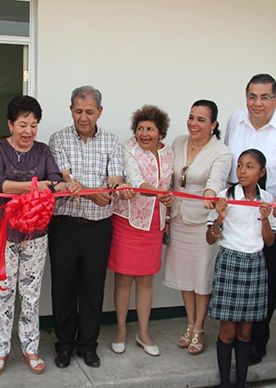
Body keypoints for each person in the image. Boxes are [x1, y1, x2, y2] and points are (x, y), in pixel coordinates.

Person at [0, 95, 79, 375]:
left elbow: (55, 181)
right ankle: (0, 349)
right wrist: (39, 185)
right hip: (3, 231)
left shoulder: (43, 150)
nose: (28, 131)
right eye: (23, 125)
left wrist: (64, 185)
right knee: (2, 292)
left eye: (34, 125)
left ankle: (30, 346)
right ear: (10, 124)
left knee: (30, 293)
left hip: (36, 232)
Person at [224, 73, 276, 364]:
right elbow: (227, 164)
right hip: (235, 220)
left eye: (264, 97)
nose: (257, 104)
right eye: (251, 96)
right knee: (234, 279)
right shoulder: (236, 120)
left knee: (265, 283)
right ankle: (231, 336)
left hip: (269, 220)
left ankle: (257, 341)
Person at [49, 85, 131, 368]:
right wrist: (94, 193)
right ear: (71, 110)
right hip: (65, 226)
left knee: (93, 288)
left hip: (99, 227)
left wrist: (107, 190)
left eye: (89, 112)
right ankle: (63, 346)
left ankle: (88, 345)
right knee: (63, 288)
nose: (83, 117)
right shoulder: (58, 139)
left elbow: (115, 178)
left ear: (100, 112)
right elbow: (65, 178)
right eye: (78, 111)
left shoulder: (111, 141)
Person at [163, 100, 232, 355]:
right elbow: (168, 178)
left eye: (201, 120)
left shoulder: (222, 152)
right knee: (185, 277)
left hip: (203, 221)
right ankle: (190, 324)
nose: (194, 123)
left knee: (202, 277)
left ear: (213, 125)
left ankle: (200, 329)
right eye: (191, 117)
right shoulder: (179, 142)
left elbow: (216, 180)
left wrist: (210, 194)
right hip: (178, 218)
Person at [207, 149, 276, 388]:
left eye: (249, 166)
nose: (242, 171)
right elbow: (210, 238)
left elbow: (269, 242)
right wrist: (219, 218)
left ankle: (241, 383)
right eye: (239, 166)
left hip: (255, 265)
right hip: (230, 263)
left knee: (245, 333)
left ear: (262, 172)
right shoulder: (224, 197)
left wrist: (266, 218)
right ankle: (225, 383)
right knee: (227, 332)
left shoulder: (267, 198)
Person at [108, 105, 174, 357]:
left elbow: (170, 185)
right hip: (128, 221)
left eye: (150, 129)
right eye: (140, 128)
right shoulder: (128, 148)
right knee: (124, 278)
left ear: (160, 132)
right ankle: (122, 330)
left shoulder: (169, 154)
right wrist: (162, 194)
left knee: (146, 280)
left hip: (154, 225)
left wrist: (169, 201)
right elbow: (134, 181)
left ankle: (143, 333)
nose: (144, 134)